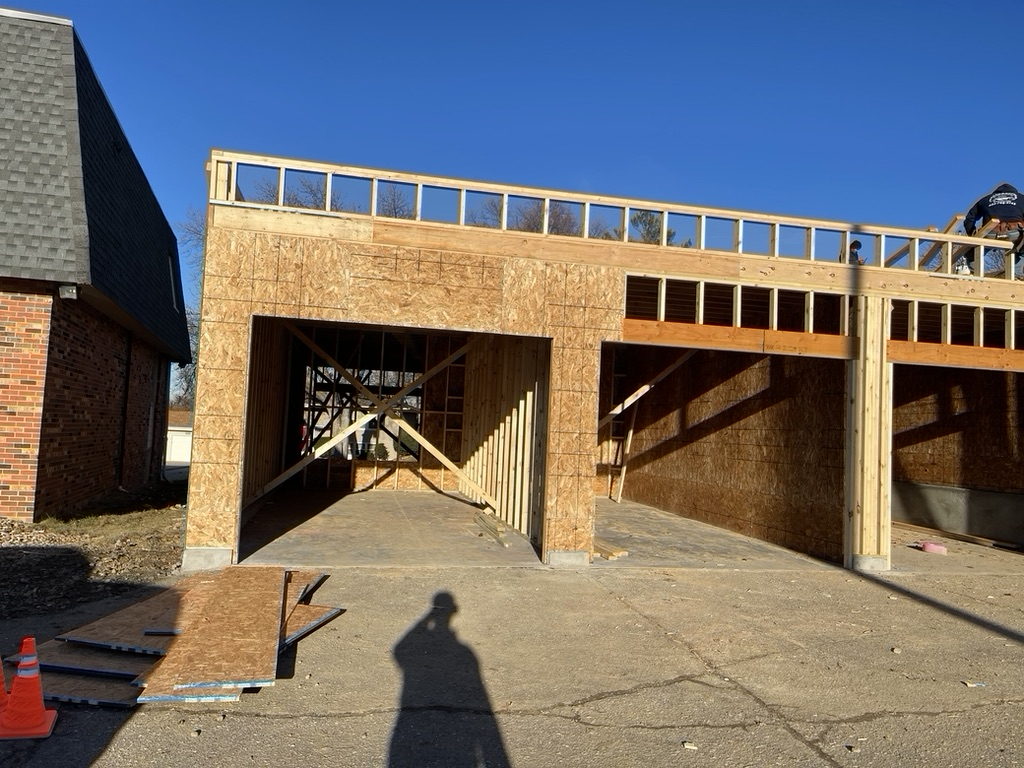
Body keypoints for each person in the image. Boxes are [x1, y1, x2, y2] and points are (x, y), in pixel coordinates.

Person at [962, 183, 1024, 276]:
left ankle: (975, 274)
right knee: (1020, 249)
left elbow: (969, 219)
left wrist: (973, 236)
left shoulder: (985, 199)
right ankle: (1016, 274)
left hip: (991, 232)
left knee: (973, 252)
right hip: (1014, 232)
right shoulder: (1021, 198)